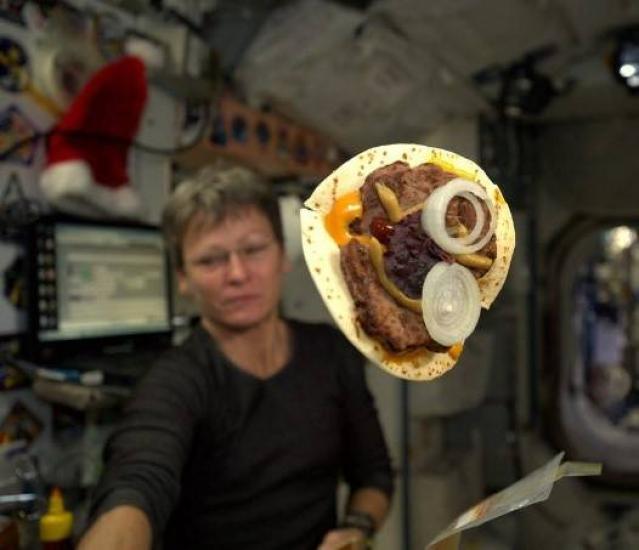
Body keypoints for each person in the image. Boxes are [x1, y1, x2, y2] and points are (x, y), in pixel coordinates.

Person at [77, 165, 394, 550]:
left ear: (283, 255)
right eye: (211, 260)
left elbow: (374, 474)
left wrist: (356, 530)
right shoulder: (174, 382)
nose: (238, 274)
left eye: (254, 250)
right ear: (182, 277)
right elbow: (136, 482)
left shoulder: (331, 352)